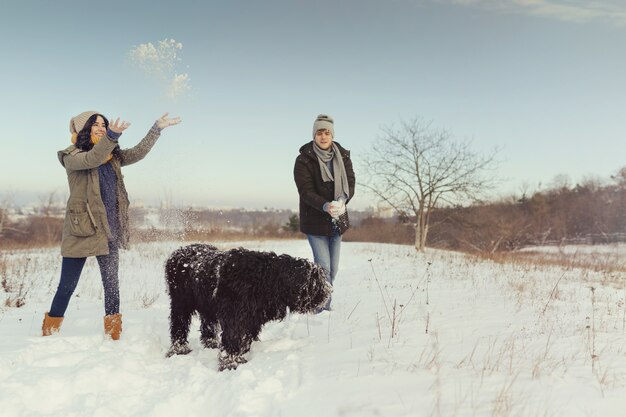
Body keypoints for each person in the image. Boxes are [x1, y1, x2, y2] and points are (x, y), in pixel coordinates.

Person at [41, 111, 181, 340]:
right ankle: (49, 332)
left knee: (112, 285)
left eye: (104, 125)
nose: (101, 127)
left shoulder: (112, 156)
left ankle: (113, 334)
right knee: (67, 286)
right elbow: (92, 158)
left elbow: (138, 152)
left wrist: (156, 128)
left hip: (109, 229)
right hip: (82, 230)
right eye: (95, 124)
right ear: (81, 128)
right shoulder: (71, 156)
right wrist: (113, 136)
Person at [293, 114, 355, 312]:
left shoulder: (343, 156)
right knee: (323, 268)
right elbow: (306, 191)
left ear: (332, 134)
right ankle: (321, 309)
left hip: (337, 219)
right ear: (314, 135)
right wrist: (326, 205)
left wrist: (343, 201)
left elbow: (351, 182)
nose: (323, 136)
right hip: (315, 221)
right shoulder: (304, 159)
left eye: (327, 132)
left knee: (333, 269)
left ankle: (318, 301)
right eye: (319, 132)